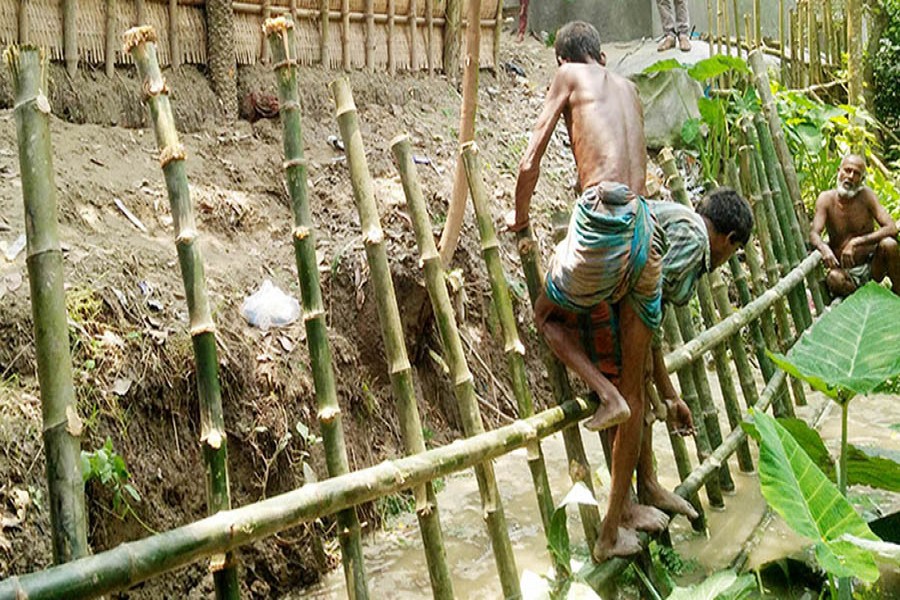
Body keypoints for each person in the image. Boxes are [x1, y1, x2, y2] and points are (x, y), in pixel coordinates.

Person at [509, 20, 665, 562]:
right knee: (637, 375)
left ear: (567, 60)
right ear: (602, 53)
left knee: (547, 316)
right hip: (648, 232)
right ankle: (618, 521)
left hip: (605, 225)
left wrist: (520, 220)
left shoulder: (568, 76)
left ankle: (605, 393)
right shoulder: (628, 86)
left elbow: (530, 160)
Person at [580, 189, 753, 562]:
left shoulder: (682, 225)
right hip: (601, 299)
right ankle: (613, 525)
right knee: (631, 402)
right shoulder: (693, 241)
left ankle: (645, 488)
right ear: (729, 240)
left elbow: (649, 315)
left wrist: (669, 393)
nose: (727, 260)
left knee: (638, 393)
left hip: (606, 292)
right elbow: (646, 306)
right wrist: (668, 393)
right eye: (734, 254)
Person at [810, 154, 900, 297]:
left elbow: (891, 228)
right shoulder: (826, 199)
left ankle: (898, 295)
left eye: (856, 174)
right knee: (834, 279)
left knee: (889, 245)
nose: (850, 176)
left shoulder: (866, 196)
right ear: (839, 171)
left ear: (862, 179)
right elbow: (814, 233)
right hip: (845, 272)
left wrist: (856, 242)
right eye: (847, 170)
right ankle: (861, 299)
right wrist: (823, 248)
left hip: (872, 267)